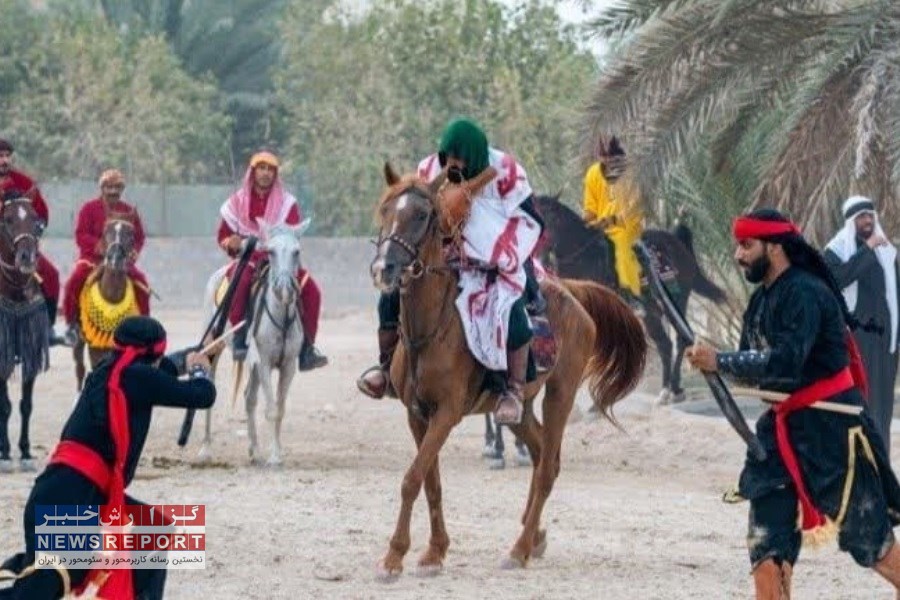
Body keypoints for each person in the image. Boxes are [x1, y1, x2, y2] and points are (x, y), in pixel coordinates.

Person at [686, 209, 900, 598]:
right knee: (766, 549)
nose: (738, 255)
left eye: (747, 245)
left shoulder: (806, 292)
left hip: (832, 432)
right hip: (779, 437)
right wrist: (717, 366)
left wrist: (720, 361)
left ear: (775, 247)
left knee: (874, 547)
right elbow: (755, 368)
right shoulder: (760, 302)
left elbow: (786, 363)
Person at [0, 316, 215, 599]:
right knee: (38, 591)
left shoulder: (110, 369)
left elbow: (164, 369)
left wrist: (196, 354)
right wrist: (200, 369)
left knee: (153, 530)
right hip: (71, 500)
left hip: (69, 492)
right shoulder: (138, 377)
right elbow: (203, 394)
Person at [357, 118, 546, 425]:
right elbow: (417, 216)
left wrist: (495, 251)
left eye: (461, 159)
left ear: (475, 156)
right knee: (391, 296)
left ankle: (511, 389)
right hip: (442, 257)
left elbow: (531, 221)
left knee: (508, 309)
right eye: (449, 157)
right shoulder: (429, 170)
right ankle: (385, 369)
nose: (454, 164)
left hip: (498, 257)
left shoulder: (508, 172)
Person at [216, 150, 327, 370]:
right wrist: (231, 242)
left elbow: (292, 234)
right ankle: (239, 338)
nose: (265, 173)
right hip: (249, 258)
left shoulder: (288, 204)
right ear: (253, 171)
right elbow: (223, 236)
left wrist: (277, 248)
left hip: (280, 259)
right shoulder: (235, 203)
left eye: (270, 169)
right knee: (241, 280)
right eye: (261, 168)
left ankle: (307, 348)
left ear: (275, 174)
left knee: (312, 291)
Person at [824, 195, 900, 454]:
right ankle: (858, 466)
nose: (867, 221)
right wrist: (867, 250)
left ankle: (881, 466)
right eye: (861, 217)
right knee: (860, 402)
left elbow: (895, 295)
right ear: (850, 221)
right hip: (856, 339)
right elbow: (837, 280)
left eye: (870, 215)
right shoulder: (835, 252)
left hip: (885, 342)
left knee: (882, 406)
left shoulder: (886, 252)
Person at [62, 169, 151, 346]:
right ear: (102, 188)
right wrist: (100, 247)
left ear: (121, 189)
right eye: (109, 187)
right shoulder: (88, 209)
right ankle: (72, 325)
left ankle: (144, 327)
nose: (112, 191)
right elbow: (81, 234)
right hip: (92, 259)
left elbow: (139, 237)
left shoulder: (129, 211)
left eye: (117, 187)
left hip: (120, 259)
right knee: (74, 280)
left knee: (142, 284)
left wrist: (133, 251)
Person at [0, 138, 63, 345]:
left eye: (7, 156)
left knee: (51, 275)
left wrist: (32, 235)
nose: (4, 160)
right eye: (0, 156)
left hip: (22, 246)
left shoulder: (25, 182)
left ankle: (49, 328)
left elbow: (42, 214)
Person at [581, 135, 644, 308]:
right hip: (601, 227)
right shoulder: (593, 172)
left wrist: (613, 220)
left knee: (621, 248)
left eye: (610, 157)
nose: (606, 161)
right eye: (603, 157)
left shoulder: (631, 173)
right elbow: (590, 207)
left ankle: (633, 294)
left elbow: (634, 206)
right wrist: (586, 221)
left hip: (627, 225)